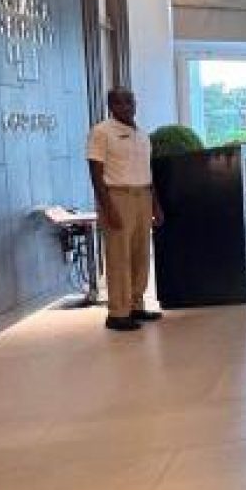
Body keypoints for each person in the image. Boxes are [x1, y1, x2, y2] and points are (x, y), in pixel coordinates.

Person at [86, 88, 163, 331]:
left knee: (141, 254)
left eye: (130, 101)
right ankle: (118, 313)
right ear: (111, 105)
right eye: (121, 102)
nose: (127, 106)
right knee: (120, 256)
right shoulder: (101, 132)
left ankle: (136, 305)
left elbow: (147, 172)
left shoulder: (142, 135)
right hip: (117, 197)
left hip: (143, 195)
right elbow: (96, 173)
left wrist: (156, 205)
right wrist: (107, 208)